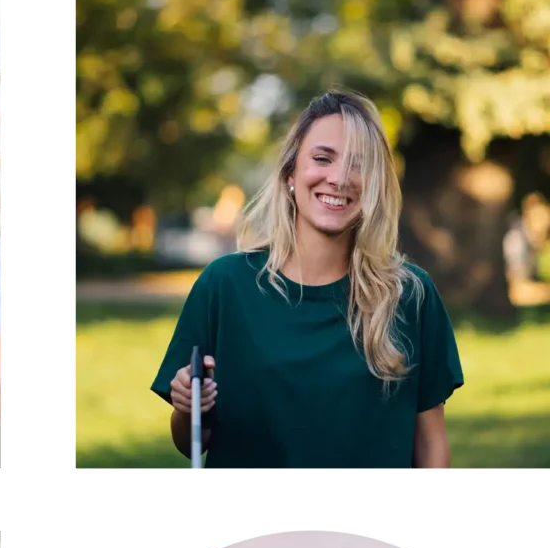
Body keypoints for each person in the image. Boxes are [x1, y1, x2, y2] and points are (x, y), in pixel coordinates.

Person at [151, 87, 463, 471]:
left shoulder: (409, 294)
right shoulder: (225, 286)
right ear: (290, 174)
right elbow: (191, 444)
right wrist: (188, 408)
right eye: (322, 158)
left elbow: (431, 445)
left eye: (358, 165)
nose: (339, 178)